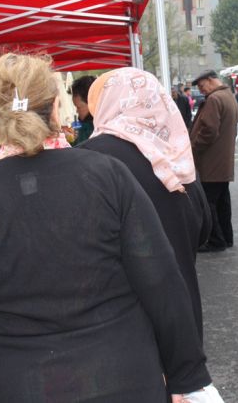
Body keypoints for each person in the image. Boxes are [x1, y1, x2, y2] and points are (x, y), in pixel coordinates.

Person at [0, 54, 213, 403]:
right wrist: (186, 376)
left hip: (18, 385)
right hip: (124, 379)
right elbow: (160, 278)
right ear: (54, 110)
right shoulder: (107, 175)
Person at [76, 68, 212, 340]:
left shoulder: (87, 160)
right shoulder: (174, 155)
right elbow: (203, 229)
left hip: (123, 328)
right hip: (183, 321)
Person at [191, 69, 238, 253]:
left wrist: (192, 148)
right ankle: (226, 238)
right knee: (222, 202)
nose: (200, 90)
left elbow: (209, 131)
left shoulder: (214, 99)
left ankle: (216, 240)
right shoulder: (228, 96)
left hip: (210, 161)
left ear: (210, 80)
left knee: (207, 203)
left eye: (201, 85)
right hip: (222, 161)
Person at [68, 75, 96, 146]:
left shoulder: (102, 129)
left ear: (91, 103)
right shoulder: (79, 125)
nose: (77, 111)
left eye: (78, 107)